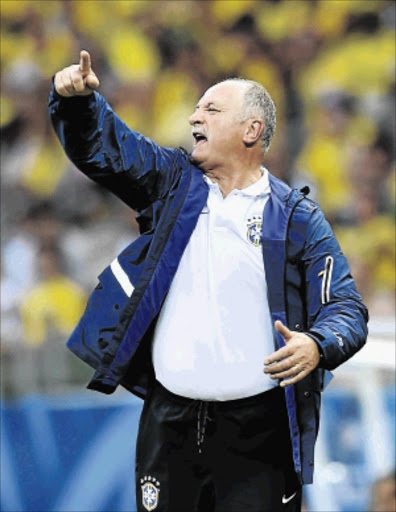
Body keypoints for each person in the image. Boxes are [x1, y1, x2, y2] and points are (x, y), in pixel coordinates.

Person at [49, 51, 368, 512]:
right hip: (168, 424)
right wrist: (75, 102)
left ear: (251, 131)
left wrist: (318, 344)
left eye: (211, 109)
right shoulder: (171, 185)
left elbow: (346, 306)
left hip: (260, 435)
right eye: (196, 108)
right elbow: (109, 149)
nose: (194, 115)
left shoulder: (297, 217)